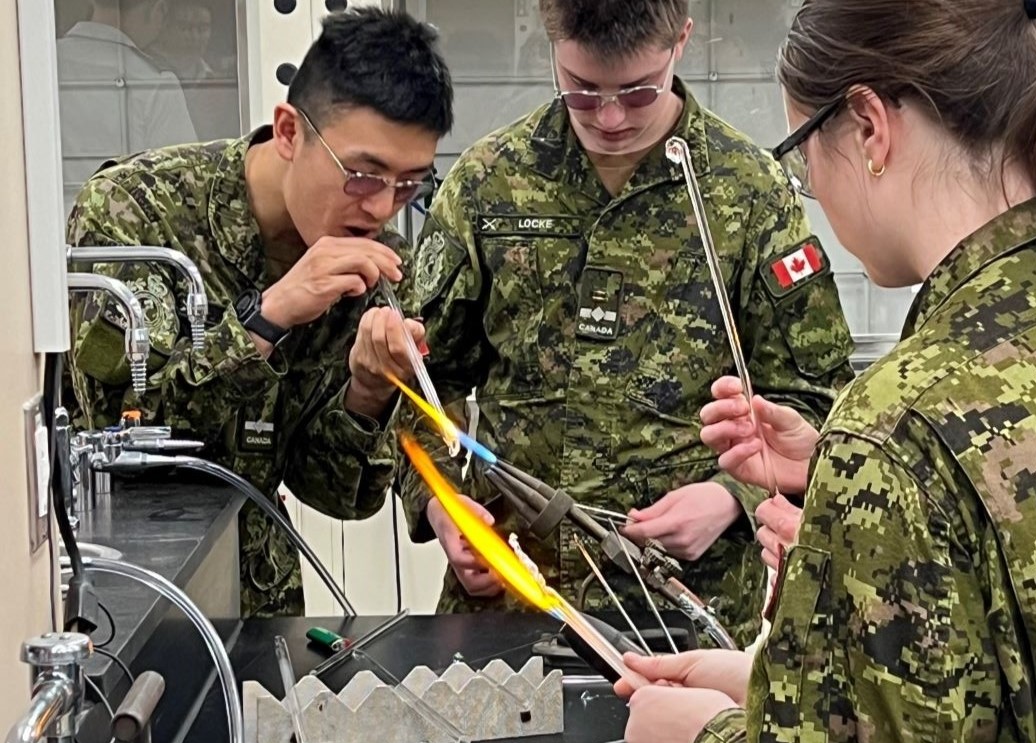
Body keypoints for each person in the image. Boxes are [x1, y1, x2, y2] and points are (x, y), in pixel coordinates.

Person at [618, 0, 1036, 743]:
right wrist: (785, 688)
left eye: (801, 155)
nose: (811, 191)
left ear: (867, 126)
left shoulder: (899, 433)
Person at [397, 0, 855, 644]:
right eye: (582, 91)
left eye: (638, 93)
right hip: (513, 596)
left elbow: (815, 398)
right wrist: (443, 505)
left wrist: (731, 498)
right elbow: (418, 377)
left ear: (681, 41)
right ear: (552, 44)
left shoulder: (748, 192)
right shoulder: (487, 185)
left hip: (686, 606)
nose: (609, 118)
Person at [66, 8, 453, 617]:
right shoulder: (138, 213)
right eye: (362, 174)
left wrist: (369, 390)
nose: (380, 206)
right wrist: (266, 318)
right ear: (290, 132)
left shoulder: (374, 266)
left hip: (263, 606)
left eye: (408, 185)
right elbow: (124, 436)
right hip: (130, 599)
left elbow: (335, 495)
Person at [57, 0, 198, 212]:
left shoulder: (41, 64)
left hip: (41, 231)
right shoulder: (153, 82)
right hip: (120, 236)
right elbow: (184, 187)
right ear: (157, 9)